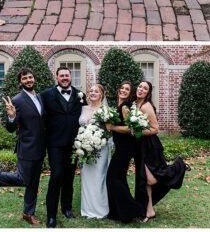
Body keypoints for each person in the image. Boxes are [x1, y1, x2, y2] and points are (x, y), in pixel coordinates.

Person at [0, 67, 46, 226]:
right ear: (20, 82)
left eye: (30, 77)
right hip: (26, 147)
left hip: (40, 148)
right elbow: (10, 128)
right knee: (24, 179)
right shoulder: (17, 100)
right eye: (24, 78)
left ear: (34, 78)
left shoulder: (40, 97)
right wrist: (12, 116)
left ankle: (28, 213)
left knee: (33, 183)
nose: (28, 80)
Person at [133, 80, 188, 220]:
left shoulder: (146, 106)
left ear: (148, 92)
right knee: (145, 180)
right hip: (139, 145)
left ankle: (179, 166)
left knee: (150, 179)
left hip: (149, 145)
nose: (141, 89)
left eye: (144, 88)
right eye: (140, 86)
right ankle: (149, 210)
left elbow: (155, 128)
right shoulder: (134, 104)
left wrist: (137, 131)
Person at [40, 66, 84, 227]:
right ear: (57, 78)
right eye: (61, 76)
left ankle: (67, 208)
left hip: (74, 145)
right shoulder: (45, 95)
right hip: (55, 143)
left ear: (70, 77)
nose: (65, 78)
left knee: (69, 177)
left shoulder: (80, 95)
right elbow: (37, 114)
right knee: (57, 175)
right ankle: (51, 215)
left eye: (67, 75)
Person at [104, 81, 145, 224]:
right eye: (121, 88)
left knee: (112, 178)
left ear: (130, 93)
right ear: (118, 90)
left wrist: (113, 127)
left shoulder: (125, 107)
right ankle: (118, 213)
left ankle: (135, 209)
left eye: (127, 89)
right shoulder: (117, 106)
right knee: (119, 179)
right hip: (121, 146)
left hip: (125, 148)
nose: (123, 90)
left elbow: (131, 129)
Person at [78, 84, 111, 219]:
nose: (92, 93)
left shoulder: (105, 110)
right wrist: (83, 142)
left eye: (96, 91)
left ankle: (100, 210)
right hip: (85, 148)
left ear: (101, 94)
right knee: (87, 177)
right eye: (90, 91)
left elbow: (109, 131)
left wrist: (97, 139)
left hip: (100, 148)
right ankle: (87, 209)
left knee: (99, 177)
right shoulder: (83, 108)